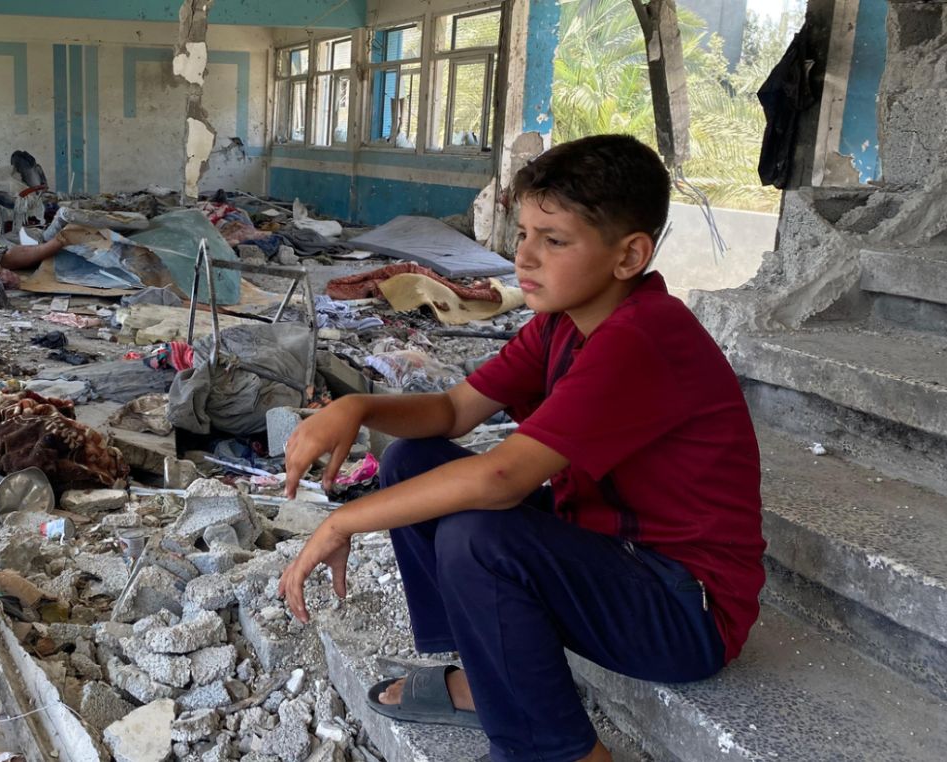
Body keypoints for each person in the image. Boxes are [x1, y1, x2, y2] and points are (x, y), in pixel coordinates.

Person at [277, 134, 765, 762]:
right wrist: (359, 405)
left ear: (629, 255)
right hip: (608, 549)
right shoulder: (562, 323)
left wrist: (344, 519)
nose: (523, 256)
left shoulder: (643, 338)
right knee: (409, 461)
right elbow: (453, 411)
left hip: (685, 609)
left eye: (553, 240)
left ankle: (562, 752)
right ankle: (489, 680)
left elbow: (502, 478)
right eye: (524, 231)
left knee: (479, 538)